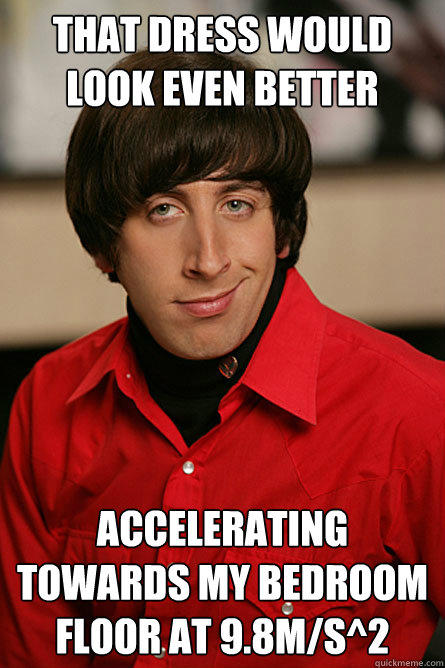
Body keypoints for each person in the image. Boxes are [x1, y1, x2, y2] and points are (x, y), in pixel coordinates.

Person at [0, 50, 444, 667]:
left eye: (237, 204)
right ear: (105, 248)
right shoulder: (48, 403)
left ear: (281, 228)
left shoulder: (420, 411)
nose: (208, 260)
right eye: (163, 209)